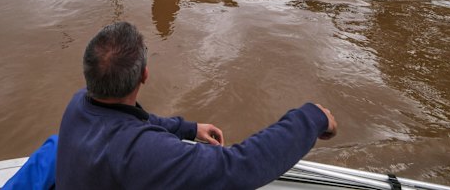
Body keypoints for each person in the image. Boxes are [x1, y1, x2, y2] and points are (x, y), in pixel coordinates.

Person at [56, 22, 338, 190]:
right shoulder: (140, 152)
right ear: (145, 75)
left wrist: (188, 129)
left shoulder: (78, 104)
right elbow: (237, 168)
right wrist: (310, 118)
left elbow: (133, 122)